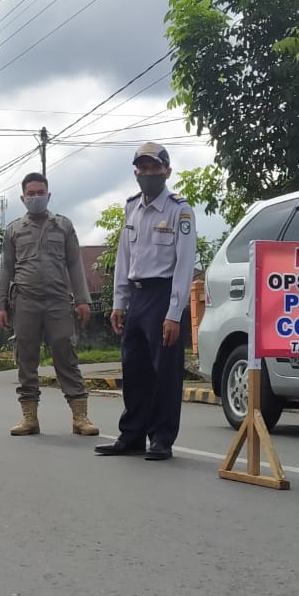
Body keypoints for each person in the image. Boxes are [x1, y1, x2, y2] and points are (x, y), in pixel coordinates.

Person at [94, 142, 197, 461]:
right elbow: (124, 257)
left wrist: (174, 313)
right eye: (143, 168)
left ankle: (162, 438)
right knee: (134, 367)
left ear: (166, 170)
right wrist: (118, 302)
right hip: (137, 296)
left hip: (164, 293)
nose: (148, 174)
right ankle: (132, 434)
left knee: (164, 371)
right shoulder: (131, 207)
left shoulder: (180, 209)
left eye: (155, 168)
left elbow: (184, 263)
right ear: (136, 172)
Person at [0, 172, 98, 438]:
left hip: (58, 302)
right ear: (23, 197)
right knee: (26, 359)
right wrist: (0, 305)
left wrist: (83, 300)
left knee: (66, 355)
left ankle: (80, 417)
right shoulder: (14, 230)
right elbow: (6, 269)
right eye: (31, 193)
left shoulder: (63, 226)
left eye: (41, 192)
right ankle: (29, 418)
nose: (36, 197)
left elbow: (75, 263)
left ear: (48, 195)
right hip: (25, 302)